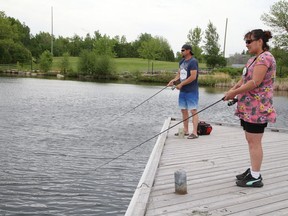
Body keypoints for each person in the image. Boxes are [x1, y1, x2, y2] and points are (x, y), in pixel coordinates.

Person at [224, 29, 277, 187]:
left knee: (255, 142)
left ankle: (255, 177)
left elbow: (255, 82)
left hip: (258, 110)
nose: (246, 45)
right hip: (248, 109)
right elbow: (243, 80)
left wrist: (233, 92)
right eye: (245, 42)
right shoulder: (253, 59)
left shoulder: (265, 58)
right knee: (250, 140)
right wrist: (232, 91)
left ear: (260, 41)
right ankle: (253, 170)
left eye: (249, 41)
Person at [168, 44, 199, 139]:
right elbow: (179, 74)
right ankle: (186, 131)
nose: (181, 52)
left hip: (191, 91)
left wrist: (181, 84)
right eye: (181, 50)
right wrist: (173, 81)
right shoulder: (181, 61)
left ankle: (195, 132)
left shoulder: (193, 62)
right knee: (183, 110)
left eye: (183, 50)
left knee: (193, 111)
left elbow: (193, 77)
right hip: (183, 91)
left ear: (188, 51)